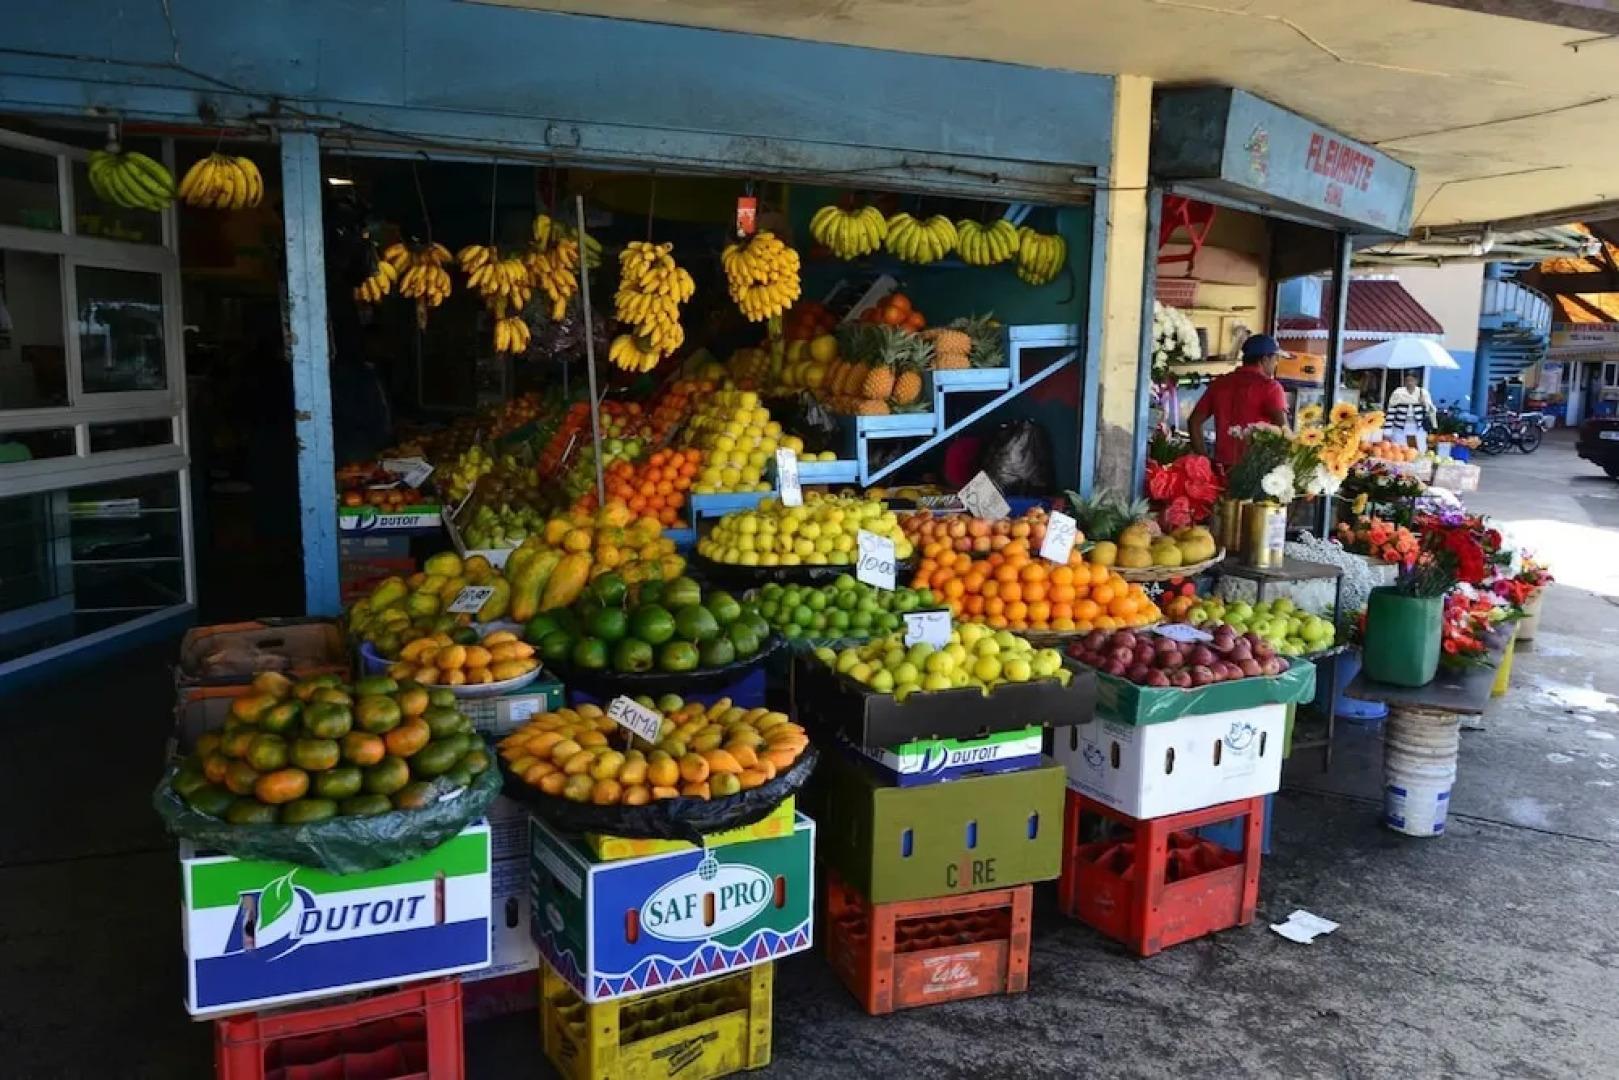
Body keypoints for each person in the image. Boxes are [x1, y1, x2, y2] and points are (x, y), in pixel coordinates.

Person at [1188, 334, 1291, 469]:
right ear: (1265, 359)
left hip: (1221, 468)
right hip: (1254, 472)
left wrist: (1204, 461)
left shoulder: (1220, 383)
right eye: (1276, 359)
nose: (1276, 363)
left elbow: (1194, 421)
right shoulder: (1270, 387)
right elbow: (1284, 433)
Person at [1384, 371, 1436, 453]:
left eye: (1412, 380)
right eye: (1407, 380)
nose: (1409, 383)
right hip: (1400, 428)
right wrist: (1387, 430)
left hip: (1417, 429)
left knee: (1417, 452)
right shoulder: (1398, 393)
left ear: (1416, 381)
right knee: (1400, 452)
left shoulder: (1423, 393)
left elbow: (1430, 411)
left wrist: (1423, 403)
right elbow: (1391, 412)